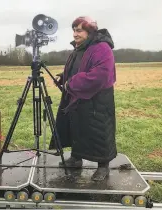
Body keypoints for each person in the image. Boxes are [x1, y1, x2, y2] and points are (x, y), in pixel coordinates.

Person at [49, 16, 117, 181]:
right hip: (77, 97)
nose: (74, 34)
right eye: (73, 30)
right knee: (77, 128)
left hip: (98, 100)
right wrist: (64, 76)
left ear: (90, 31)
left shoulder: (102, 48)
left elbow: (99, 75)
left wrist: (71, 82)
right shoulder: (80, 48)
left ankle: (103, 166)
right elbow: (76, 68)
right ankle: (76, 158)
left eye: (78, 30)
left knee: (99, 130)